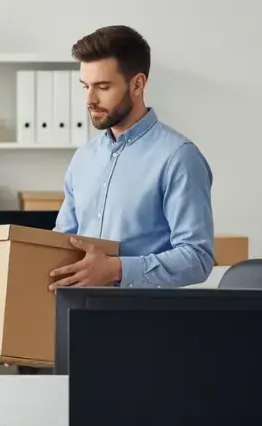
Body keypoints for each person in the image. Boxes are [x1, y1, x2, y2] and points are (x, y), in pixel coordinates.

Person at [49, 25, 215, 290]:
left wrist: (117, 269)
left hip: (142, 322)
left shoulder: (179, 157)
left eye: (102, 87)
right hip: (76, 316)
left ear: (137, 84)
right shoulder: (83, 158)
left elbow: (198, 258)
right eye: (85, 86)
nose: (90, 99)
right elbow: (63, 241)